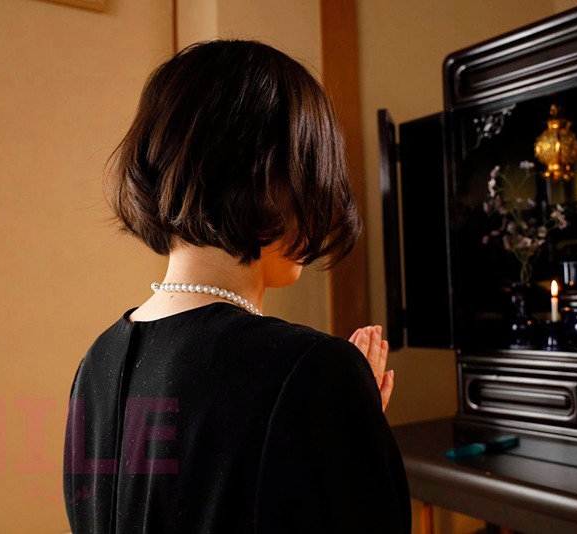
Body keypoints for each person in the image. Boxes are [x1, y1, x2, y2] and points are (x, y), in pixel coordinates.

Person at [63, 40, 411, 533]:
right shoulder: (313, 370)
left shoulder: (96, 362)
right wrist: (346, 418)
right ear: (271, 178)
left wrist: (343, 421)